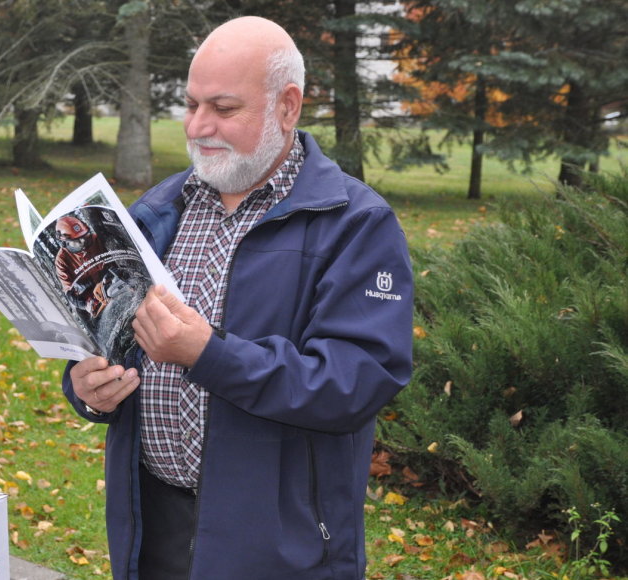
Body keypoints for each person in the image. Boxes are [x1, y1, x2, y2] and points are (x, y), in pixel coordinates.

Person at [62, 15, 413, 580]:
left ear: (287, 106)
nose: (198, 126)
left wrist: (208, 354)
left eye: (224, 109)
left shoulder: (356, 224)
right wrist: (86, 388)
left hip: (279, 544)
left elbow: (357, 381)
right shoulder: (159, 209)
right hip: (152, 529)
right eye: (191, 104)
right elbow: (105, 337)